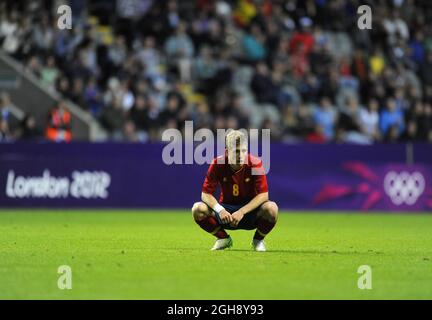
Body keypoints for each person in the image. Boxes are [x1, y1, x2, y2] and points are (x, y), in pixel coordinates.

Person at [192, 130, 278, 251]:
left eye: (243, 151)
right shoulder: (217, 163)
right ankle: (223, 239)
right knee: (197, 209)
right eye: (236, 151)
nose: (241, 155)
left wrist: (242, 212)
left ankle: (258, 241)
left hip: (250, 213)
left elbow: (263, 195)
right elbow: (205, 194)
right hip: (225, 213)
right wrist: (220, 210)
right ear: (227, 151)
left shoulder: (256, 163)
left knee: (272, 208)